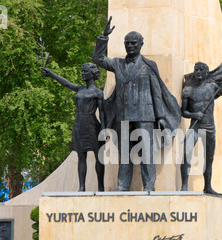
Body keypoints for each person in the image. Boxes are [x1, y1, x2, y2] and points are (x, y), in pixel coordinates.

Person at [92, 16, 181, 192]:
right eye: (127, 43)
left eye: (133, 43)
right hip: (124, 115)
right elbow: (98, 59)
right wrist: (104, 37)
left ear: (141, 45)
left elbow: (157, 92)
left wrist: (161, 116)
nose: (130, 46)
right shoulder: (117, 63)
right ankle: (123, 185)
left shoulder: (149, 65)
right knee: (125, 153)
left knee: (147, 152)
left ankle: (149, 184)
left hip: (145, 115)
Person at [41, 63, 105, 192]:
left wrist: (104, 129)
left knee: (99, 157)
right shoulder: (80, 89)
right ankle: (81, 187)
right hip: (78, 126)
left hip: (92, 126)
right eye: (82, 71)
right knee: (81, 156)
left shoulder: (98, 92)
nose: (82, 73)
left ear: (91, 74)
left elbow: (103, 112)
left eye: (84, 71)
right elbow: (67, 84)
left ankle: (101, 186)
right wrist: (51, 74)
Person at [180, 62, 222, 196]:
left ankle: (207, 187)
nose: (199, 72)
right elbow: (183, 112)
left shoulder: (212, 87)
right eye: (197, 70)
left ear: (206, 72)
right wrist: (194, 115)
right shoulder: (188, 90)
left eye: (202, 70)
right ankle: (184, 186)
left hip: (209, 128)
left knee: (208, 159)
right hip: (195, 127)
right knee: (186, 153)